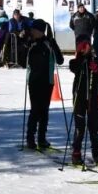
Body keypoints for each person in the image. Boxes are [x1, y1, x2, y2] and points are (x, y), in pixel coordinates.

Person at [24, 19, 64, 149]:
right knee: (35, 110)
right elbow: (21, 61)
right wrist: (22, 43)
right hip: (34, 81)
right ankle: (30, 138)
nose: (32, 31)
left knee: (44, 111)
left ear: (40, 31)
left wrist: (54, 45)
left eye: (34, 29)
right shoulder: (31, 43)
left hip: (47, 81)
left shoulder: (49, 42)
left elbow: (60, 60)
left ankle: (42, 138)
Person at [68, 36, 98, 166]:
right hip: (79, 97)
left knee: (94, 127)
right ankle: (76, 153)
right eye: (83, 47)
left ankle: (97, 153)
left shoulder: (97, 61)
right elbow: (74, 67)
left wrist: (97, 70)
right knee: (80, 128)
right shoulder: (75, 62)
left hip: (93, 97)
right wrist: (83, 58)